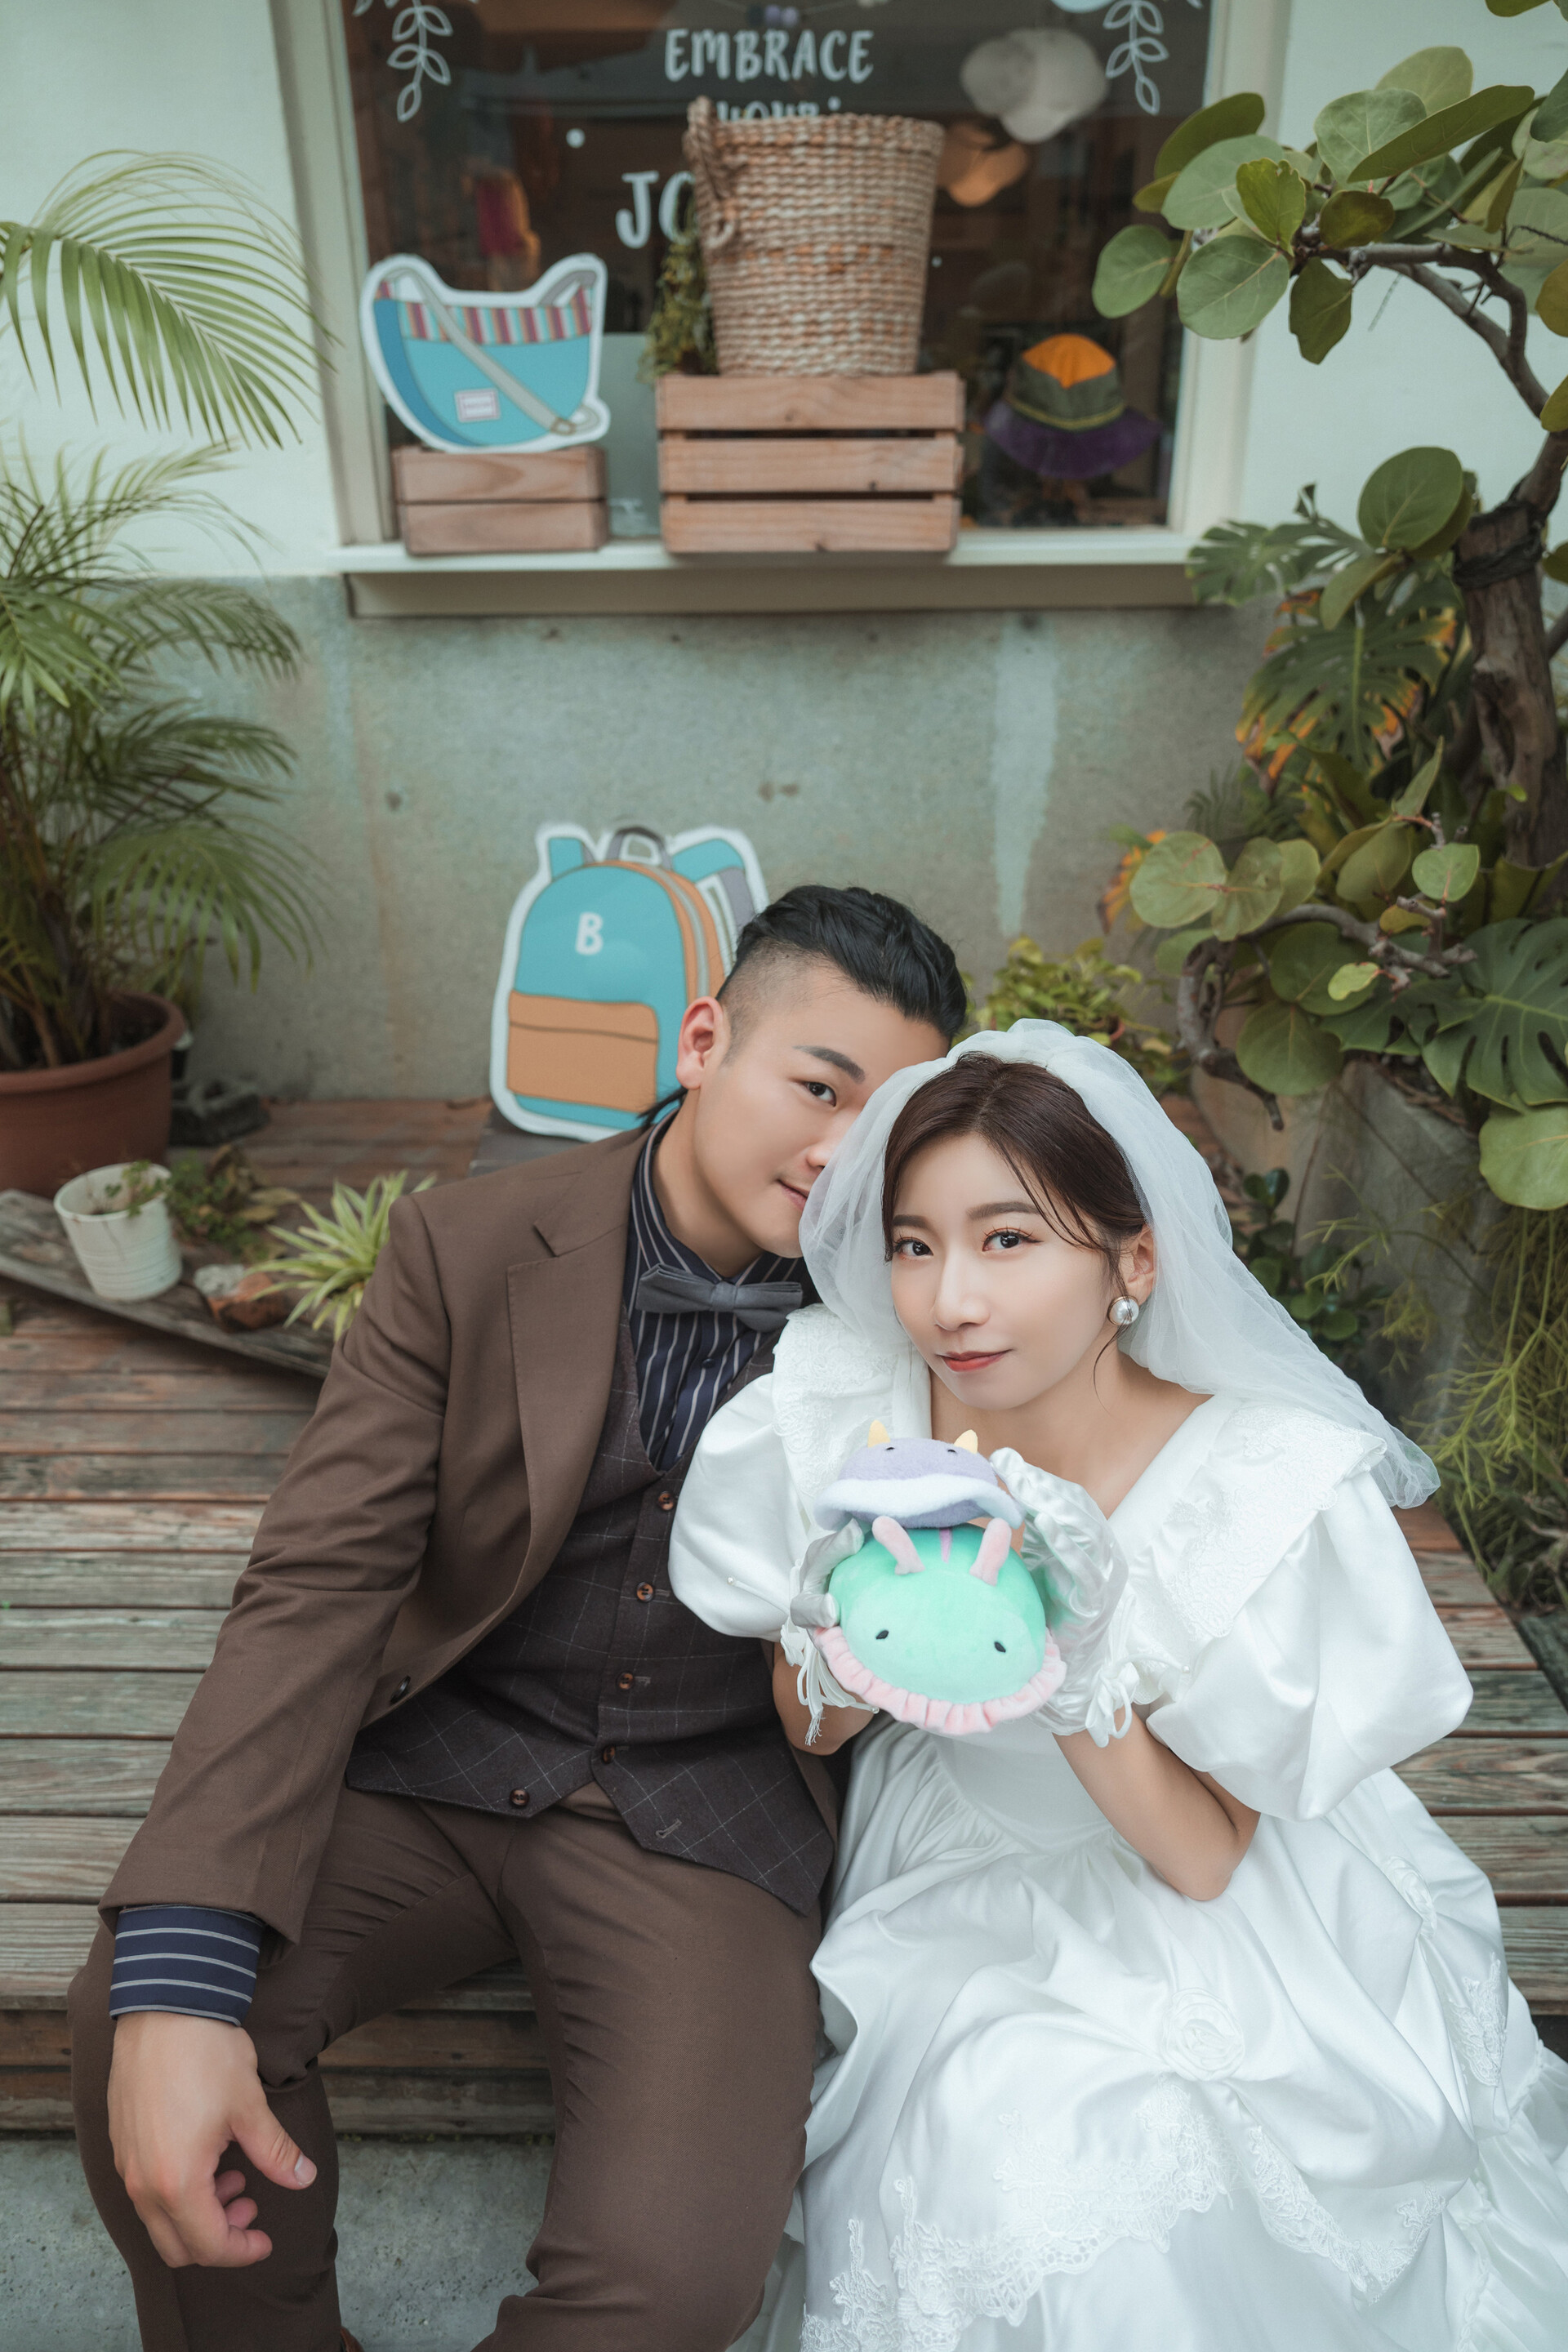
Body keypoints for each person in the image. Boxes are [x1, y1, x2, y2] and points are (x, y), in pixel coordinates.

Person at [68, 884, 968, 2352]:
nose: (839, 1153)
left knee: (673, 2283)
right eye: (820, 1088)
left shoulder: (914, 1306)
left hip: (709, 1805)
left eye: (885, 1125)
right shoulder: (462, 1246)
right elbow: (316, 1585)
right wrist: (183, 1964)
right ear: (703, 1042)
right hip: (436, 1757)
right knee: (138, 2018)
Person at [670, 1022, 1568, 2351]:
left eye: (1008, 1240)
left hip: (1204, 1887)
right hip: (956, 1863)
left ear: (1132, 1262)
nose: (950, 1301)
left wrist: (1072, 1668)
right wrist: (843, 1617)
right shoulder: (853, 1409)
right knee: (998, 2148)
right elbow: (812, 1725)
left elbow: (1203, 1861)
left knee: (1158, 2169)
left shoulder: (1255, 1485)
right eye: (914, 1245)